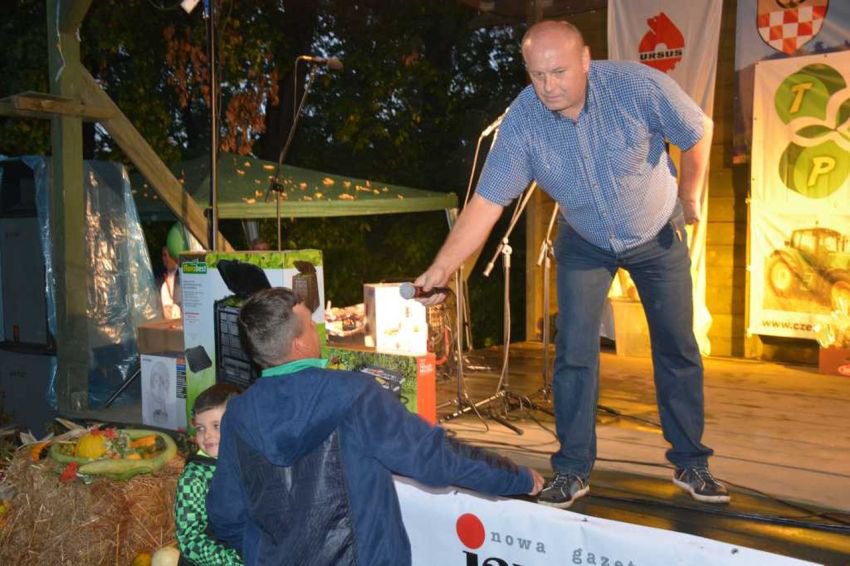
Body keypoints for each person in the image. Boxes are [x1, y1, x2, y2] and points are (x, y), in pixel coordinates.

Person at [414, 20, 729, 509]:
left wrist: (689, 195)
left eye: (559, 72)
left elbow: (697, 130)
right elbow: (487, 203)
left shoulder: (636, 87)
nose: (548, 86)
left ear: (585, 60)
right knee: (574, 353)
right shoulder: (524, 120)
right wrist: (440, 269)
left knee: (677, 348)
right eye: (537, 74)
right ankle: (573, 469)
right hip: (585, 240)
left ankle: (691, 462)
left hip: (655, 234)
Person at [207, 287, 544, 565]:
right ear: (298, 343)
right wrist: (517, 477)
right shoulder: (354, 394)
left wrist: (262, 554)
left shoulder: (238, 414)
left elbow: (225, 515)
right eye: (311, 325)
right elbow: (432, 458)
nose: (316, 331)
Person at [175, 383, 244, 566]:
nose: (207, 436)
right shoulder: (194, 477)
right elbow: (189, 540)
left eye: (216, 426)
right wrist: (234, 562)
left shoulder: (250, 461)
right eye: (200, 428)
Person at [160, 245, 182, 320]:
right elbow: (167, 314)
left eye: (166, 255)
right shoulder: (165, 286)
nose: (164, 259)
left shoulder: (181, 277)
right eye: (163, 255)